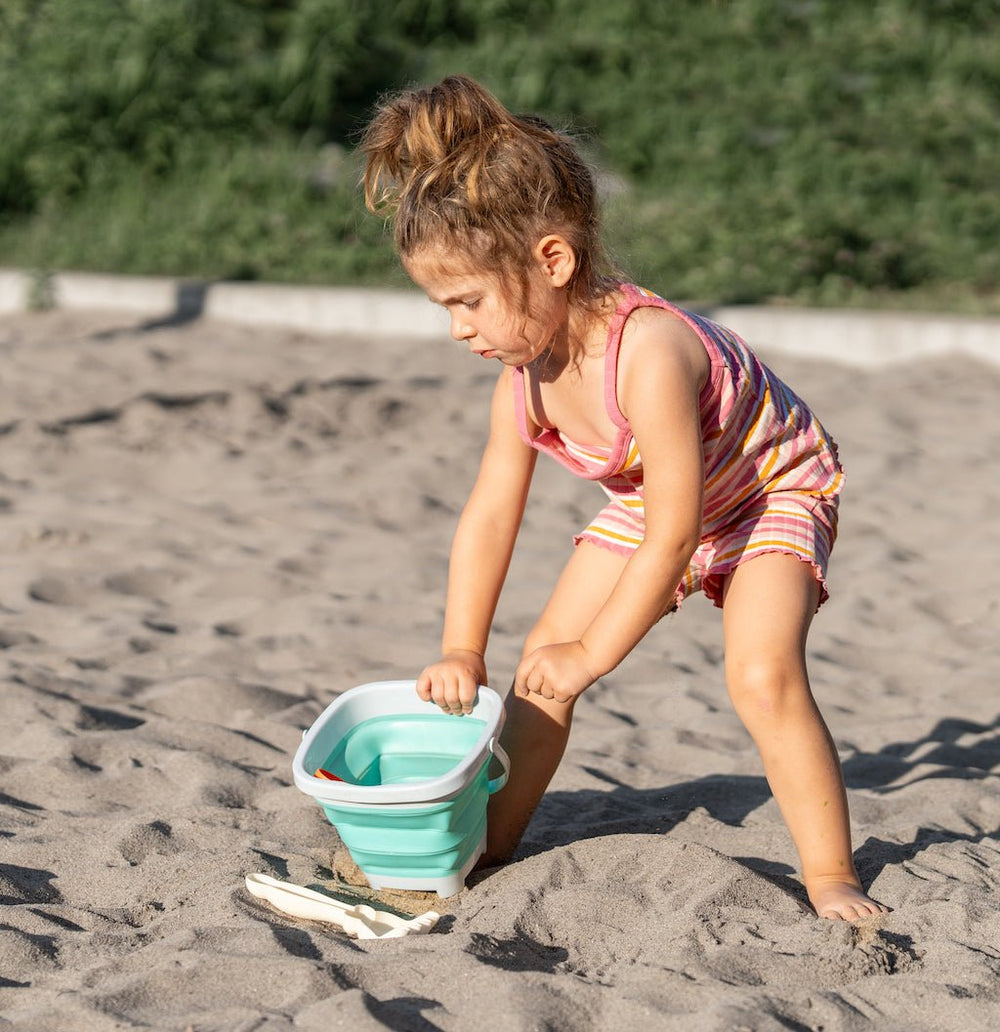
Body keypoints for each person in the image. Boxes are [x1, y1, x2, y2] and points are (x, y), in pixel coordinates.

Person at [361, 75, 887, 921]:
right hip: (661, 498)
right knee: (540, 672)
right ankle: (487, 850)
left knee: (760, 674)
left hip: (765, 490)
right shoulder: (521, 379)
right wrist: (463, 648)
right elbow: (491, 512)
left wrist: (595, 652)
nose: (457, 327)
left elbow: (677, 535)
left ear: (553, 261)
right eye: (443, 306)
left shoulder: (649, 353)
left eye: (468, 301)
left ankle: (831, 873)